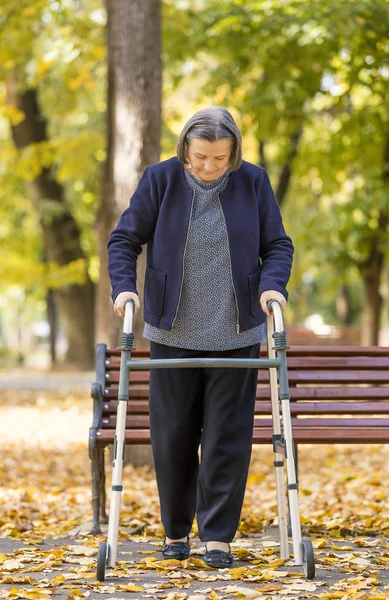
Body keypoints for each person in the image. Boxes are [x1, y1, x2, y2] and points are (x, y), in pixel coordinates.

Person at [107, 106, 294, 568]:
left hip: (236, 329)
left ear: (234, 154)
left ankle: (217, 537)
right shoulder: (161, 179)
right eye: (200, 157)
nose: (209, 167)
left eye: (220, 158)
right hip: (173, 327)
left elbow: (278, 245)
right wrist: (125, 287)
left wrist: (273, 285)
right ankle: (175, 531)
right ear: (184, 150)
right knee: (172, 434)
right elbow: (124, 239)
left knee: (228, 436)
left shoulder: (253, 182)